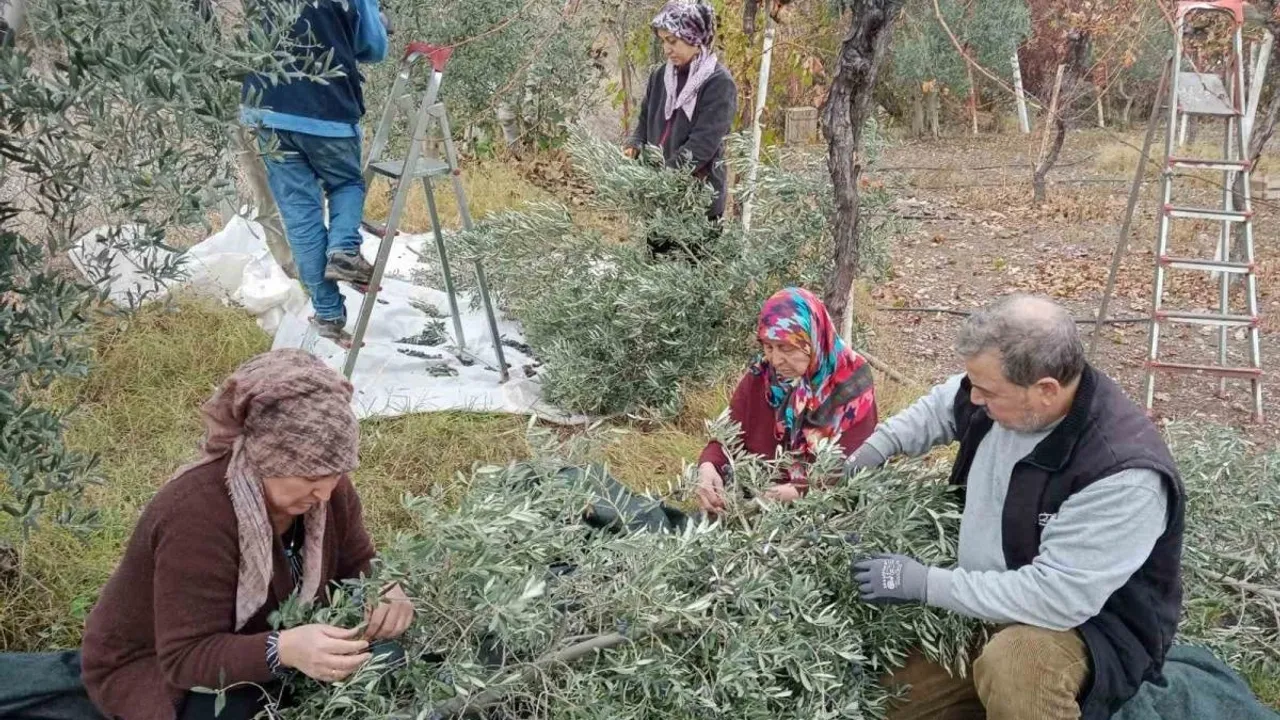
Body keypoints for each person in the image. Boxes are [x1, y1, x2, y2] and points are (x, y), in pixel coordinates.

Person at [845, 294, 1184, 720]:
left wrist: (924, 583)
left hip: (1084, 631)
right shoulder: (1004, 397)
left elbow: (1056, 598)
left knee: (1016, 668)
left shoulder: (1120, 473)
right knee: (887, 698)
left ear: (1046, 390)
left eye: (987, 392)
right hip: (986, 601)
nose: (974, 398)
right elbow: (943, 406)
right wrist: (872, 451)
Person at [79, 349, 414, 720]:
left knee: (388, 662)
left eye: (336, 474)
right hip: (163, 668)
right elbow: (185, 658)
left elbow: (358, 560)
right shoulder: (195, 515)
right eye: (310, 477)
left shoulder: (329, 491)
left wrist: (384, 586)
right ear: (267, 459)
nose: (324, 492)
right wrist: (282, 650)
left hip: (277, 637)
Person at [240, 0, 389, 343]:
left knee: (300, 215)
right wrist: (378, 21)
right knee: (346, 183)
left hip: (267, 112)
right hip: (327, 110)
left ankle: (328, 313)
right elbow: (373, 48)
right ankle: (344, 250)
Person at [695, 287, 877, 514]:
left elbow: (855, 466)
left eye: (786, 348)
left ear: (813, 339)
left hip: (825, 513)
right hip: (756, 505)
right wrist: (708, 466)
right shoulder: (761, 377)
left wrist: (802, 491)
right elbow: (726, 437)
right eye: (768, 347)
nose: (775, 360)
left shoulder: (851, 386)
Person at [624, 0, 737, 257]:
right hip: (661, 200)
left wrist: (664, 178)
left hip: (698, 202)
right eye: (663, 41)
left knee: (694, 275)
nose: (666, 49)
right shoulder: (660, 76)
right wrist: (634, 144)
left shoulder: (718, 83)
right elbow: (645, 119)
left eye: (673, 41)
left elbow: (703, 145)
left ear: (694, 37)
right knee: (656, 270)